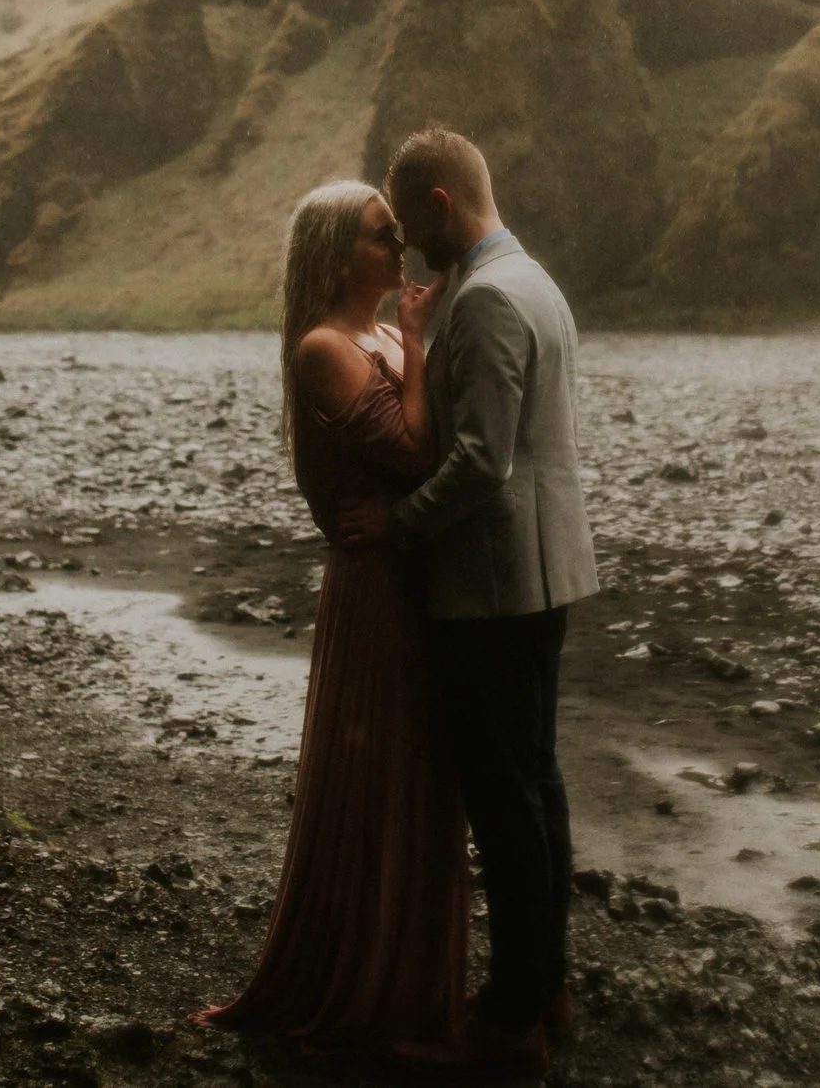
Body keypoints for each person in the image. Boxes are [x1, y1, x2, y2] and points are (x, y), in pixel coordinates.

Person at [341, 128, 600, 1076]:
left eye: (410, 223)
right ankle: (549, 986)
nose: (407, 244)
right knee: (537, 785)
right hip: (541, 571)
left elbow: (483, 463)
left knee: (504, 801)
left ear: (441, 204)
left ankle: (511, 1019)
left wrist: (397, 522)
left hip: (495, 581)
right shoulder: (531, 279)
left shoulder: (489, 298)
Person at [194, 181, 469, 1057]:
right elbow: (419, 451)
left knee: (420, 774)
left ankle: (412, 977)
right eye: (380, 235)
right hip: (375, 583)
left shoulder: (381, 333)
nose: (400, 247)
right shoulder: (325, 347)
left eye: (396, 232)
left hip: (414, 574)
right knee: (376, 777)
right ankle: (365, 986)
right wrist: (422, 345)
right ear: (335, 254)